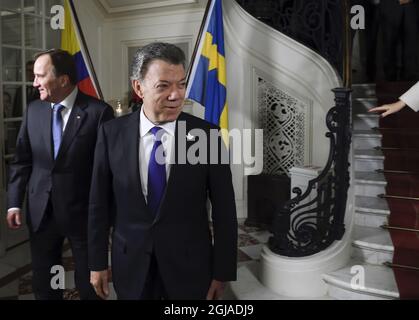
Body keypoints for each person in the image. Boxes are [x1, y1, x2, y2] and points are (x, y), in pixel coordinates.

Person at [88, 42, 238, 300]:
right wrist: (97, 263)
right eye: (164, 86)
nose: (176, 94)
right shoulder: (111, 133)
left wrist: (222, 271)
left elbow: (225, 209)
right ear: (139, 87)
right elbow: (98, 204)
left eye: (181, 84)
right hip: (131, 267)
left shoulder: (206, 135)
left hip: (190, 269)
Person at [6, 49, 114, 300]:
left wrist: (109, 215)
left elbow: (106, 172)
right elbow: (22, 161)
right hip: (41, 210)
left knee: (89, 285)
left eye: (40, 76)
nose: (34, 83)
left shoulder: (98, 112)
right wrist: (14, 203)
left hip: (83, 214)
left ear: (63, 80)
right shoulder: (33, 110)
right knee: (45, 281)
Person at [379, 0, 419, 81]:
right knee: (389, 42)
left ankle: (411, 78)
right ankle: (390, 79)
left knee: (412, 42)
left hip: (413, 5)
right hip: (390, 4)